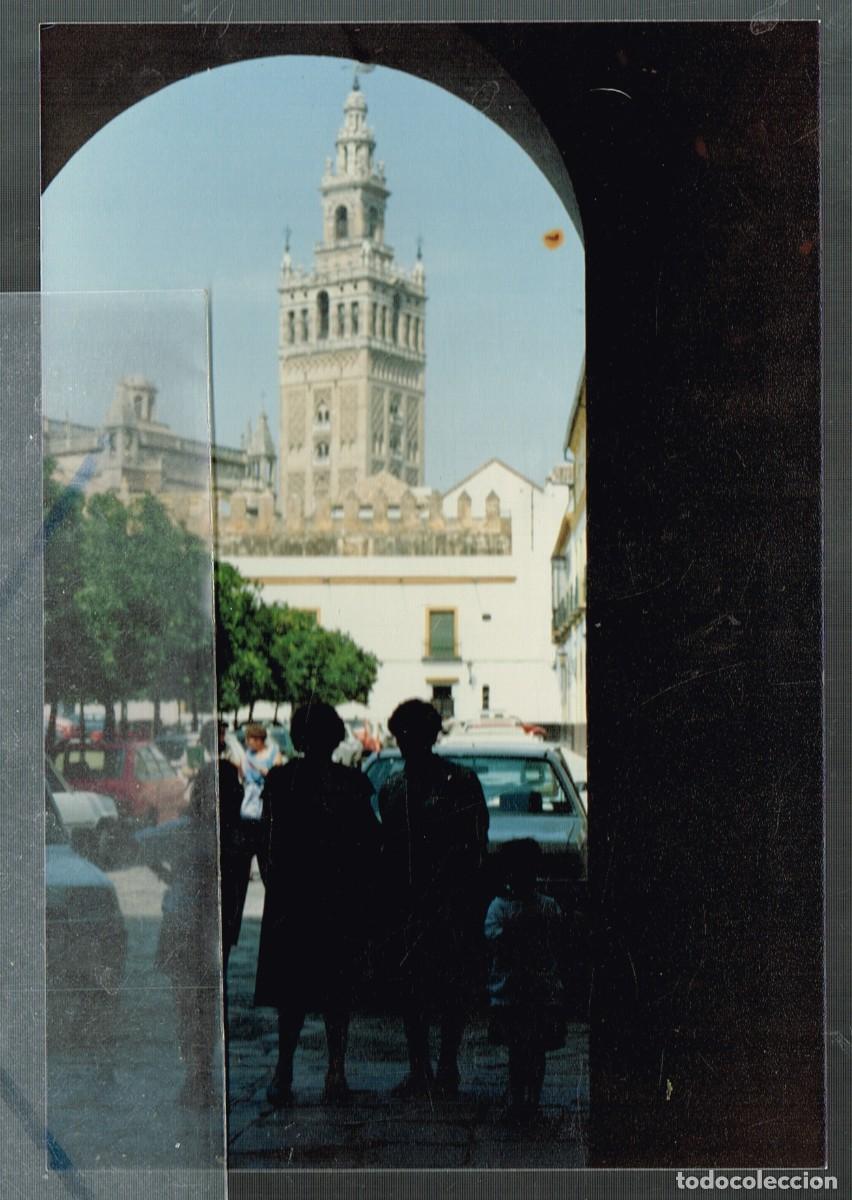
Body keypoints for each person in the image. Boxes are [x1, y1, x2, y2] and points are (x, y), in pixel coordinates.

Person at [254, 702, 380, 1108]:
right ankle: (335, 1070)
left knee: (292, 993)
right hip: (336, 897)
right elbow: (369, 843)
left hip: (293, 897)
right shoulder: (353, 784)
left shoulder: (280, 779)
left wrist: (275, 882)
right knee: (335, 992)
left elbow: (265, 840)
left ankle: (283, 1070)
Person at [377, 698, 489, 1099]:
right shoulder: (391, 789)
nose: (408, 743)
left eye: (414, 735)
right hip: (407, 905)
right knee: (412, 990)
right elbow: (387, 852)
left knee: (450, 988)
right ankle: (420, 1068)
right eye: (402, 737)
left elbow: (476, 844)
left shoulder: (460, 782)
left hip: (450, 902)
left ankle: (446, 1066)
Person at [136, 760, 222, 1109]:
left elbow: (139, 844)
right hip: (203, 927)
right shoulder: (221, 831)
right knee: (205, 1004)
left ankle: (196, 1075)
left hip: (180, 923)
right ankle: (202, 1074)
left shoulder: (183, 829)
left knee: (188, 1005)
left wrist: (166, 876)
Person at [484, 839, 567, 1121]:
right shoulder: (548, 907)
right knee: (535, 1051)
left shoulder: (498, 909)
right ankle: (530, 1099)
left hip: (511, 993)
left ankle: (517, 1098)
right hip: (541, 992)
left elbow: (496, 942)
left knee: (518, 1051)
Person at [239, 723, 283, 821]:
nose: (246, 742)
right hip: (251, 799)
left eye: (248, 739)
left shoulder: (274, 752)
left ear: (258, 740)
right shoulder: (247, 755)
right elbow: (242, 777)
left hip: (268, 798)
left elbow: (278, 775)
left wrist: (266, 772)